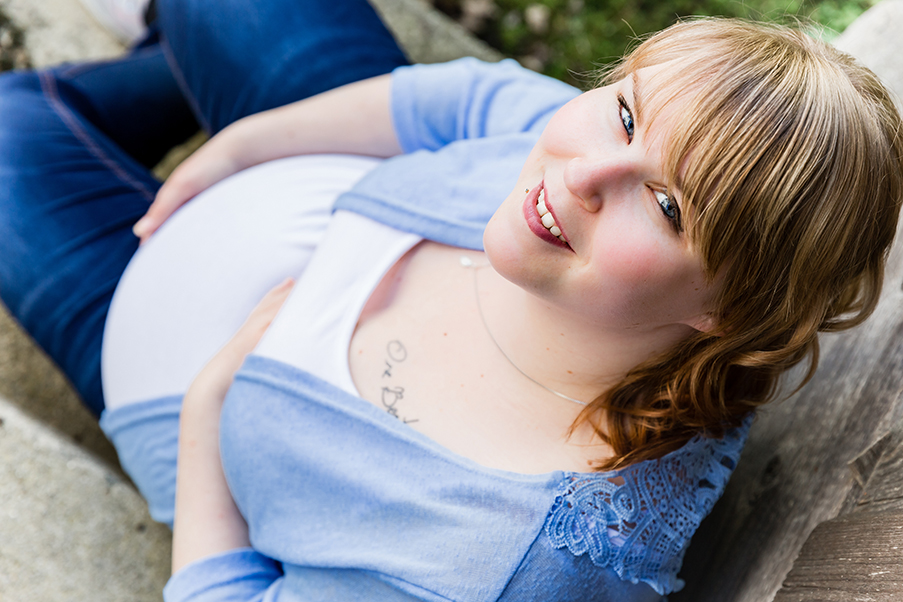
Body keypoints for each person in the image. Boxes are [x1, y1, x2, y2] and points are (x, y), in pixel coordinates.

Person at [0, 0, 900, 600]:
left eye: (665, 206)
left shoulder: (494, 560)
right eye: (625, 112)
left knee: (7, 134)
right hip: (332, 170)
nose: (582, 174)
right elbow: (467, 99)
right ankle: (178, 57)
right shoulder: (576, 200)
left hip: (159, 346)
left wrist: (204, 419)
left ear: (727, 312)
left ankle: (148, 65)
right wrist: (241, 145)